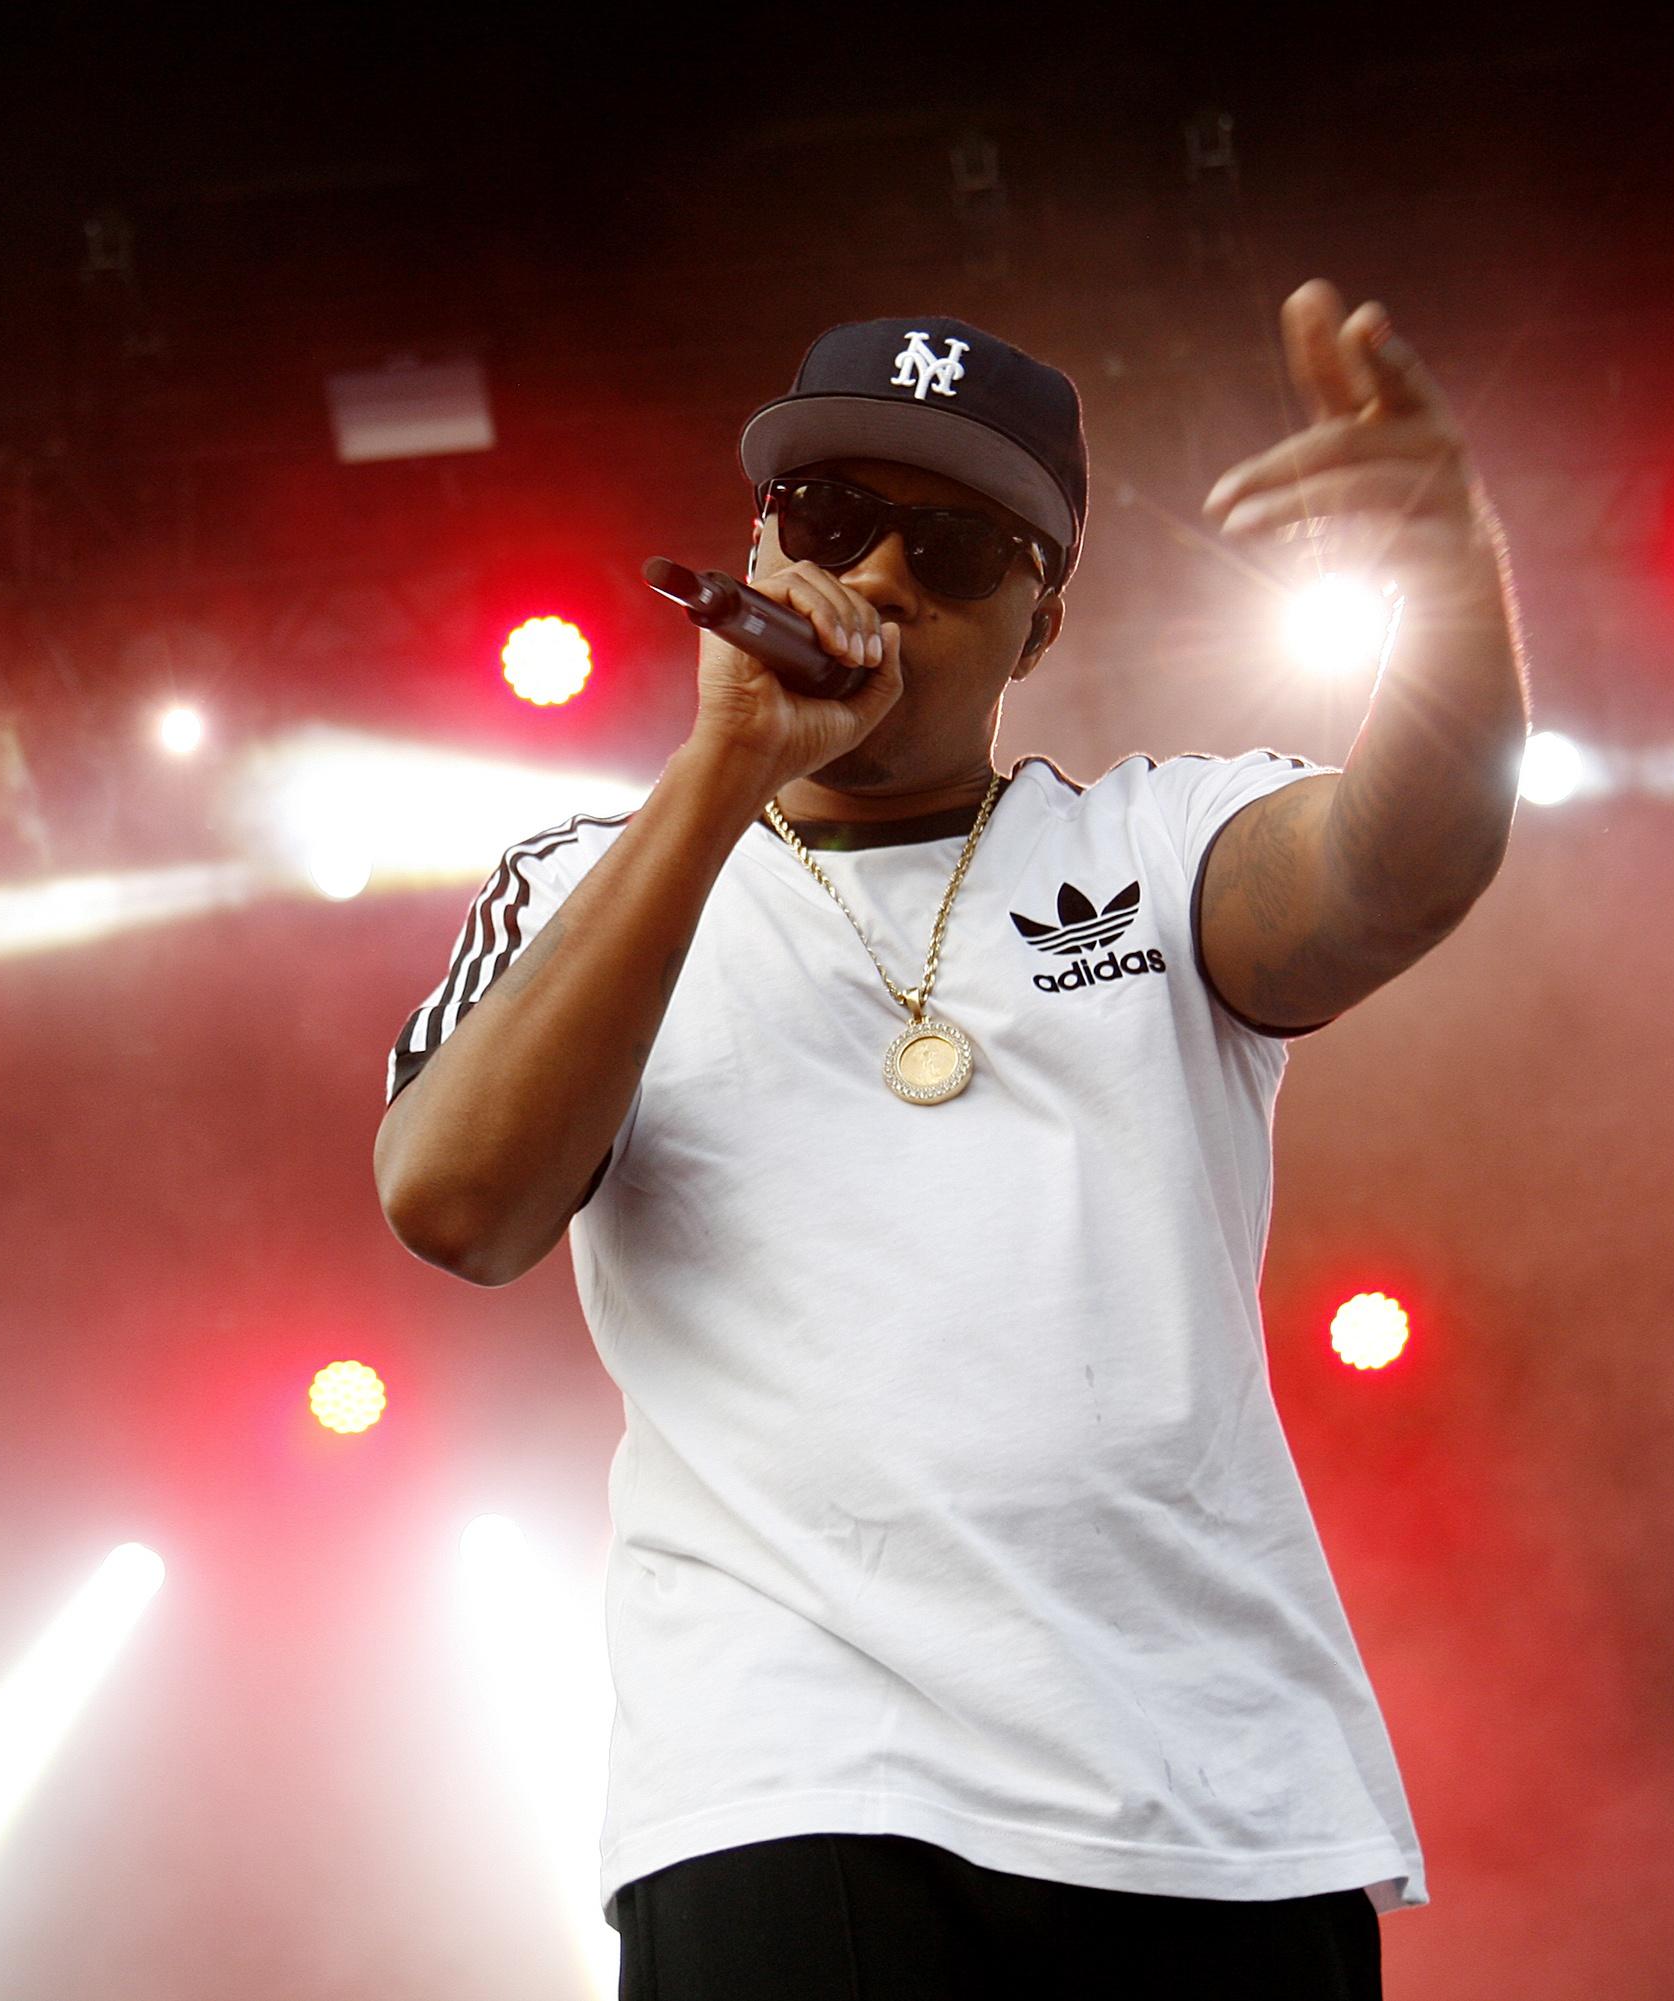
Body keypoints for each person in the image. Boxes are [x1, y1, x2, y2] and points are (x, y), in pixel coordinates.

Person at [376, 284, 1527, 1999]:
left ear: (1039, 619)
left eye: (957, 545)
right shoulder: (580, 880)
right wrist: (724, 774)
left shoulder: (1159, 838)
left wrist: (1448, 583)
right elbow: (456, 1203)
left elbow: (1394, 868)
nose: (885, 576)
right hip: (787, 1781)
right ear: (760, 544)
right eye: (833, 516)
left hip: (1203, 1795)